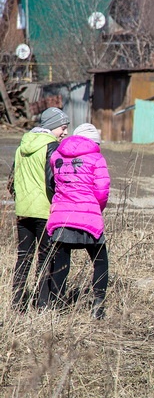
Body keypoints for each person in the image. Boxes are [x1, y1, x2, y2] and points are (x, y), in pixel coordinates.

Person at [46, 123, 110, 320]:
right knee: (100, 260)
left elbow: (52, 184)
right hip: (88, 216)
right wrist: (94, 210)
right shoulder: (96, 157)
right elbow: (102, 191)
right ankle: (97, 307)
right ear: (94, 141)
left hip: (61, 217)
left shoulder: (57, 156)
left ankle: (56, 308)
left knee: (61, 263)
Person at [8, 107, 69, 311]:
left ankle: (16, 304)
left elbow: (11, 182)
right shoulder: (51, 147)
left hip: (22, 210)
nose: (65, 133)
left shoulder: (21, 146)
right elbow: (54, 183)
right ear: (52, 127)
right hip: (44, 211)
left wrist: (21, 198)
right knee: (45, 259)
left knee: (23, 257)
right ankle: (42, 305)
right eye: (63, 127)